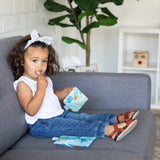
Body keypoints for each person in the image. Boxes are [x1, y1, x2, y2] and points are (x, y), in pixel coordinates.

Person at [7, 30, 139, 142]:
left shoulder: (44, 79)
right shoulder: (23, 84)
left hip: (58, 114)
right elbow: (31, 110)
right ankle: (109, 130)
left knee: (84, 118)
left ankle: (115, 119)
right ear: (22, 61)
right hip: (42, 124)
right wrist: (41, 89)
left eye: (44, 61)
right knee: (76, 126)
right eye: (34, 61)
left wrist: (63, 93)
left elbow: (48, 98)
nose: (40, 65)